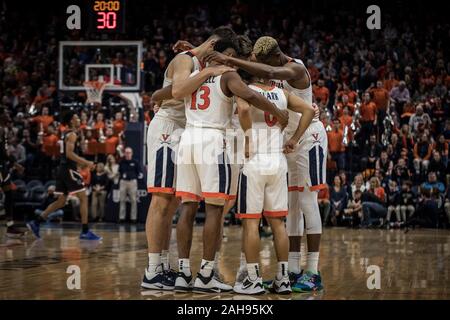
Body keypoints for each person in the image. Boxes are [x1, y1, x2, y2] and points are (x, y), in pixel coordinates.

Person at [207, 35, 328, 292]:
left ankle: (313, 270)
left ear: (275, 56)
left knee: (307, 202)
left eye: (260, 63)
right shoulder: (271, 78)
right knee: (290, 210)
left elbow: (272, 74)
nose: (257, 67)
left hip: (309, 138)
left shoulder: (294, 67)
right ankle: (292, 270)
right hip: (284, 144)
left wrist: (227, 59)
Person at [173, 35, 288, 294]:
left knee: (187, 207)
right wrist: (278, 112)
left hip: (188, 139)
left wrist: (192, 50)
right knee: (215, 209)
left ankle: (182, 273)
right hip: (213, 141)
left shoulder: (195, 71)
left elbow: (174, 91)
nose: (237, 63)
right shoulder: (228, 74)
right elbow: (249, 96)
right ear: (227, 54)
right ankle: (205, 273)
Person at [141, 27, 243, 291]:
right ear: (213, 46)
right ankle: (153, 270)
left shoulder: (195, 61)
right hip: (168, 129)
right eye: (227, 55)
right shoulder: (187, 60)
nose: (228, 61)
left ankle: (165, 266)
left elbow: (161, 93)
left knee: (176, 202)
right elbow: (176, 92)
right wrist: (208, 70)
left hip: (185, 133)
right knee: (161, 199)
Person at [233, 73, 314, 295]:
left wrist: (248, 137)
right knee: (278, 224)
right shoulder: (282, 93)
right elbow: (309, 110)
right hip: (278, 162)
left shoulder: (245, 90)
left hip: (255, 161)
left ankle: (253, 278)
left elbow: (244, 110)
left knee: (251, 223)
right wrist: (294, 139)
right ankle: (283, 278)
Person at [27, 111, 101, 240]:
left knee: (61, 202)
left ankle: (36, 222)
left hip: (63, 169)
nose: (79, 119)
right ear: (72, 121)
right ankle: (85, 231)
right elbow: (69, 154)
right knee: (84, 198)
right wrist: (87, 163)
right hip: (68, 169)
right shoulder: (72, 134)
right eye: (77, 117)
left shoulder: (67, 133)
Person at [118, 147, 141, 223]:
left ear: (132, 153)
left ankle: (133, 218)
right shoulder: (122, 162)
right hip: (123, 182)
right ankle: (122, 218)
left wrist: (134, 177)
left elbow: (139, 173)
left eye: (129, 152)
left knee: (134, 200)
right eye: (126, 152)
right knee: (122, 200)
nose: (128, 154)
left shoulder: (135, 162)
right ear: (124, 153)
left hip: (132, 182)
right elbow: (119, 172)